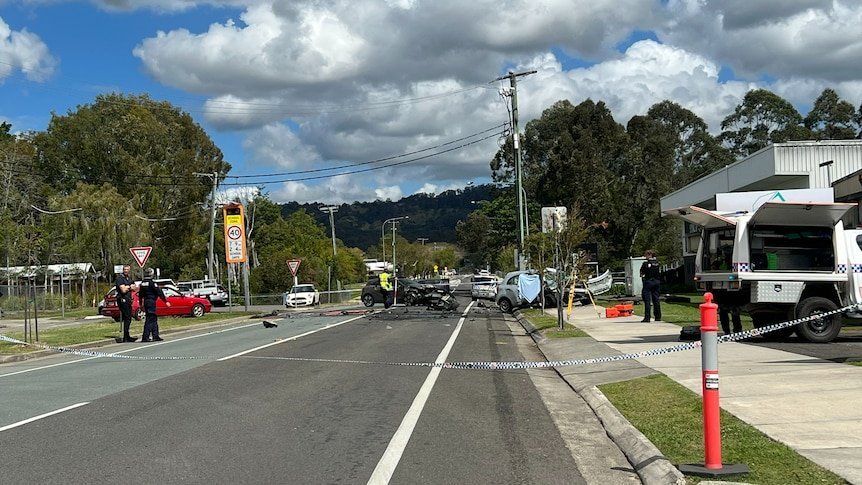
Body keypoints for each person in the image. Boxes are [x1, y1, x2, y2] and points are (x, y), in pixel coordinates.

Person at [138, 268, 169, 342]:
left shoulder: (142, 283)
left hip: (146, 301)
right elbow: (159, 292)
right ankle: (145, 336)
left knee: (153, 318)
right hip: (151, 301)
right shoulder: (152, 283)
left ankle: (155, 335)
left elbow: (140, 295)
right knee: (150, 319)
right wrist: (165, 301)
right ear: (151, 274)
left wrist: (140, 304)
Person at [115, 264, 137, 342]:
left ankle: (127, 336)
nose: (126, 271)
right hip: (122, 299)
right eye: (125, 269)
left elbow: (134, 288)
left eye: (127, 269)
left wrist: (127, 287)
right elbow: (123, 290)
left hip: (128, 299)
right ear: (123, 270)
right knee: (127, 317)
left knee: (129, 318)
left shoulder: (129, 278)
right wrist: (129, 287)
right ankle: (125, 337)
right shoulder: (120, 278)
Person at [640, 249, 661, 322]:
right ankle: (658, 316)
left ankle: (647, 317)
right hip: (657, 281)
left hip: (648, 281)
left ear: (650, 255)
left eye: (646, 255)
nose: (645, 256)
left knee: (647, 300)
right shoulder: (657, 263)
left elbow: (642, 273)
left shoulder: (645, 264)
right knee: (656, 299)